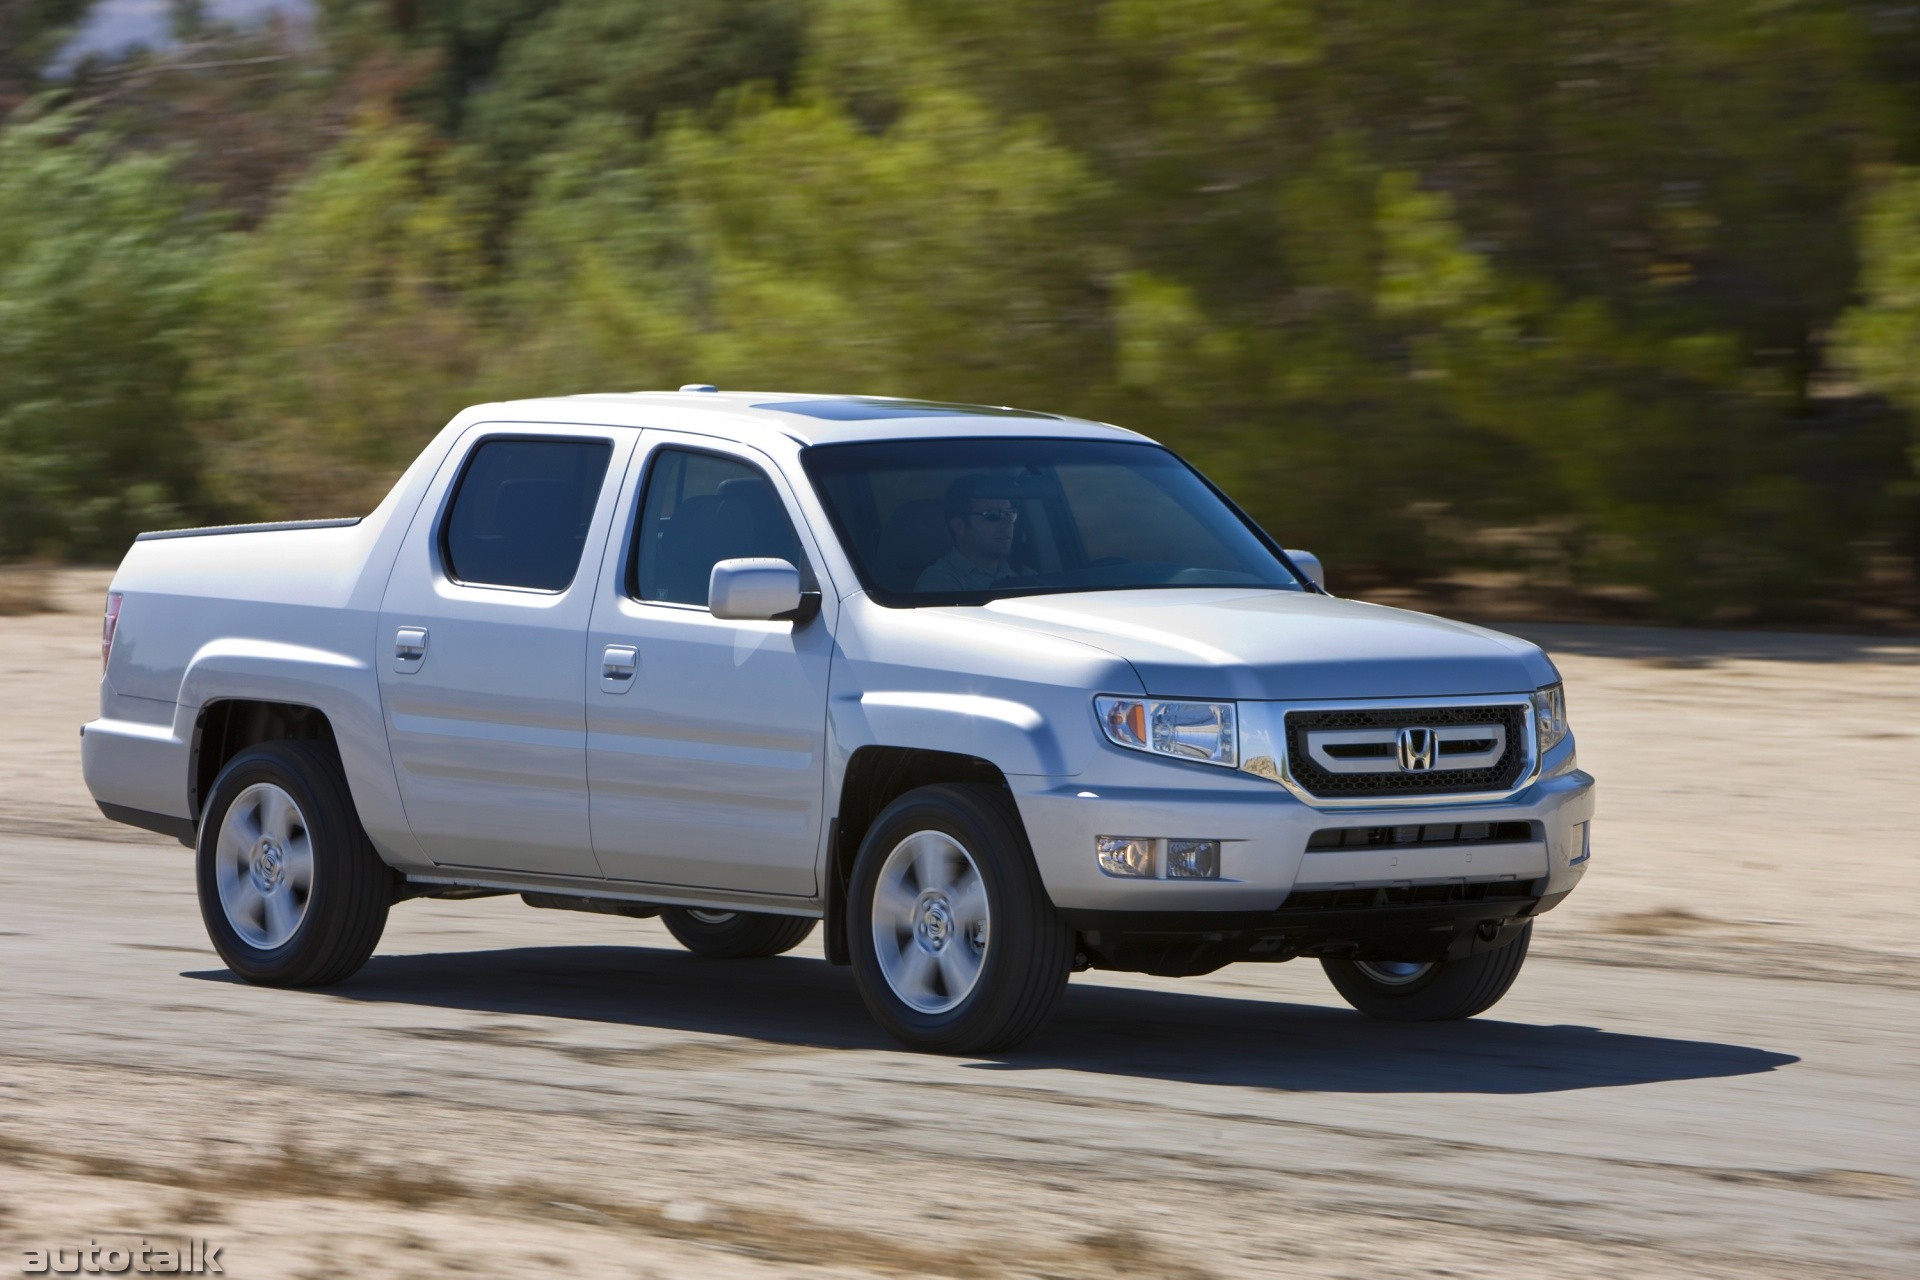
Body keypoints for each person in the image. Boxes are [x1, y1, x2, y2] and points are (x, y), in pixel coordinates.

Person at [915, 474, 1023, 592]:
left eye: (1010, 514)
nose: (1007, 523)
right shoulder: (938, 581)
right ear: (959, 526)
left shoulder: (1023, 574)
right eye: (993, 515)